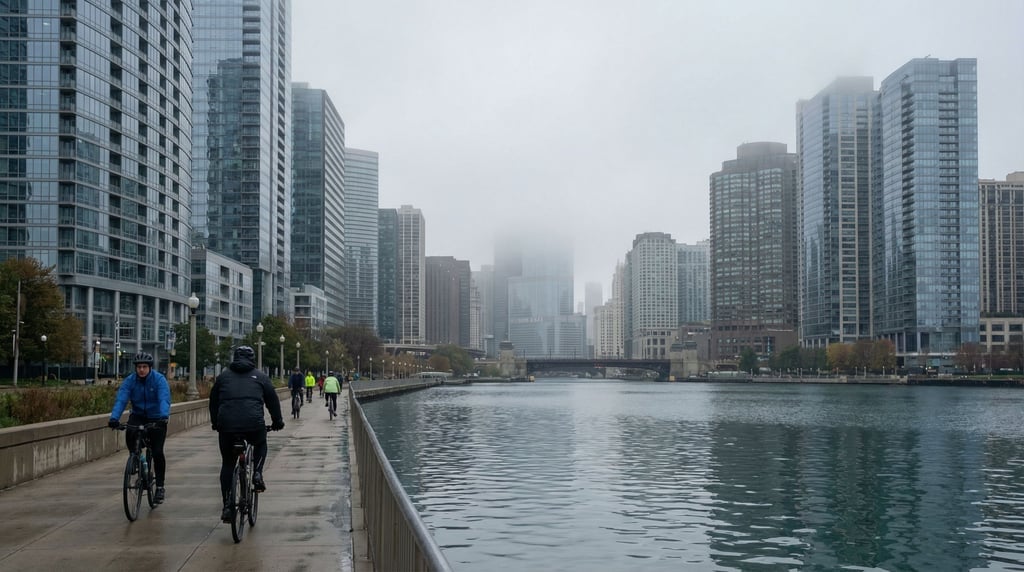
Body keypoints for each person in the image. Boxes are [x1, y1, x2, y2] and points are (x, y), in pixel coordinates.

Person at [209, 345, 285, 523]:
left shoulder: (223, 377)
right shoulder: (260, 377)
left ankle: (227, 505)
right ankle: (257, 473)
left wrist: (215, 423)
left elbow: (213, 403)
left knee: (228, 464)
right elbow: (272, 401)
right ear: (252, 359)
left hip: (226, 426)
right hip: (253, 424)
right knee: (260, 443)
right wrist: (277, 422)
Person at [108, 352, 171, 504]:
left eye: (144, 367)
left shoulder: (159, 380)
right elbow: (122, 399)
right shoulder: (130, 381)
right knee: (130, 431)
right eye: (139, 367)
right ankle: (135, 458)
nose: (141, 370)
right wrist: (114, 418)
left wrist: (163, 416)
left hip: (157, 417)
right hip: (138, 415)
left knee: (157, 452)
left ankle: (160, 487)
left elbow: (164, 398)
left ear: (149, 367)